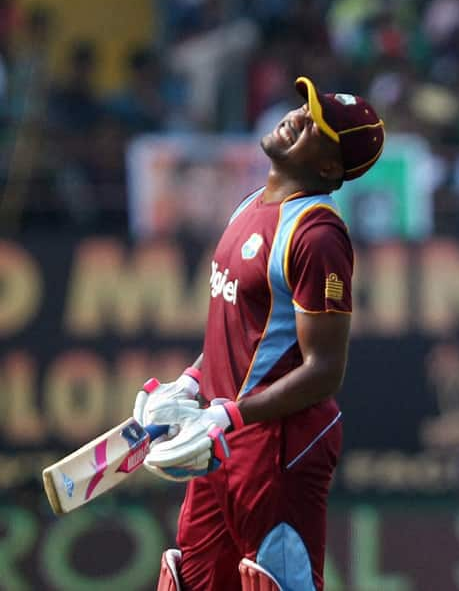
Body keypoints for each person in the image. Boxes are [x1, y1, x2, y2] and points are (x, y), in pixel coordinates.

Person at [133, 76, 385, 591]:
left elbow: (324, 371)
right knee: (191, 580)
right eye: (303, 108)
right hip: (219, 435)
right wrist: (190, 383)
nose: (297, 118)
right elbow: (244, 339)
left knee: (272, 581)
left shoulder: (317, 236)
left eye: (317, 125)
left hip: (278, 444)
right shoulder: (248, 206)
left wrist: (233, 413)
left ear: (330, 167)